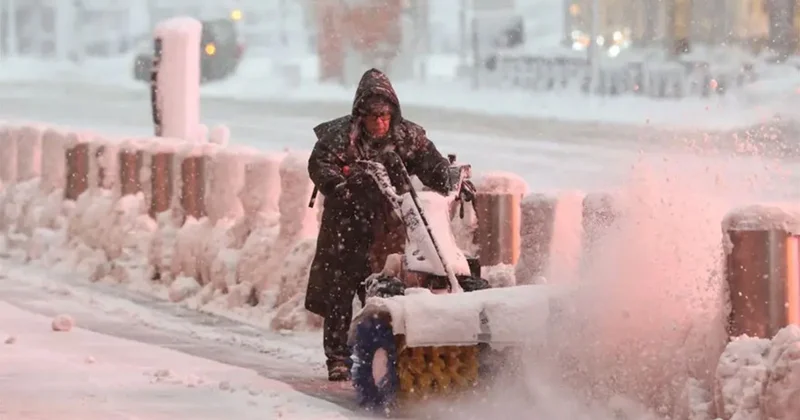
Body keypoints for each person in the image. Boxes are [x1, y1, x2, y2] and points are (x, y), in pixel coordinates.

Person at [304, 68, 455, 381]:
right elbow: (319, 164)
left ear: (393, 114)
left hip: (388, 227)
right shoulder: (339, 137)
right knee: (340, 291)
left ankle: (381, 353)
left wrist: (449, 178)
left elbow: (431, 164)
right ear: (361, 114)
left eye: (385, 115)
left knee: (384, 291)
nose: (379, 122)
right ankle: (338, 357)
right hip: (345, 226)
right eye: (373, 115)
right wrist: (340, 187)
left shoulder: (406, 137)